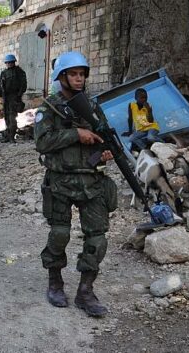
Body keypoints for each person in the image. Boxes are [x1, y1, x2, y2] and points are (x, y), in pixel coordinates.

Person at [34, 50, 117, 318]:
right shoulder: (49, 108)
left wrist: (105, 153)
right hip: (60, 180)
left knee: (98, 238)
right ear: (62, 77)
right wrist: (75, 134)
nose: (79, 79)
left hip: (91, 181)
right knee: (60, 234)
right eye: (73, 74)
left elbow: (102, 138)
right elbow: (42, 142)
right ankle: (55, 282)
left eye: (82, 74)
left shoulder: (92, 107)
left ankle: (85, 291)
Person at [0, 53, 28, 142]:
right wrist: (0, 93)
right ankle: (7, 135)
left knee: (12, 117)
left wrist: (19, 95)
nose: (9, 64)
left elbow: (23, 85)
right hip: (6, 97)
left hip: (14, 97)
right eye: (7, 63)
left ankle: (11, 136)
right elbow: (0, 84)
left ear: (13, 62)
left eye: (10, 62)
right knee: (7, 116)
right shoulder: (4, 73)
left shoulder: (19, 72)